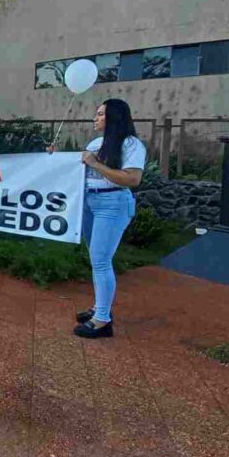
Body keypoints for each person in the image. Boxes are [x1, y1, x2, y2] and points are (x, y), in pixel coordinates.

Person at [67, 99, 145, 339]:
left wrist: (95, 163)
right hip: (91, 202)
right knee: (97, 259)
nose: (95, 118)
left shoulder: (131, 144)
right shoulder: (96, 143)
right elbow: (81, 168)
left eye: (100, 114)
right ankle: (100, 307)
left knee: (101, 261)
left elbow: (132, 179)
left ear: (114, 118)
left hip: (112, 204)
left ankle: (102, 320)